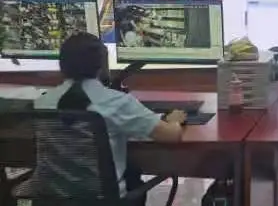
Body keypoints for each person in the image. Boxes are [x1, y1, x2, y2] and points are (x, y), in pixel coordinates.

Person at [35, 32, 187, 189]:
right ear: (102, 66)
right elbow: (171, 135)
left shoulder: (42, 103)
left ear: (62, 65)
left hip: (50, 198)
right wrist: (174, 120)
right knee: (133, 176)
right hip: (101, 199)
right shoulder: (117, 102)